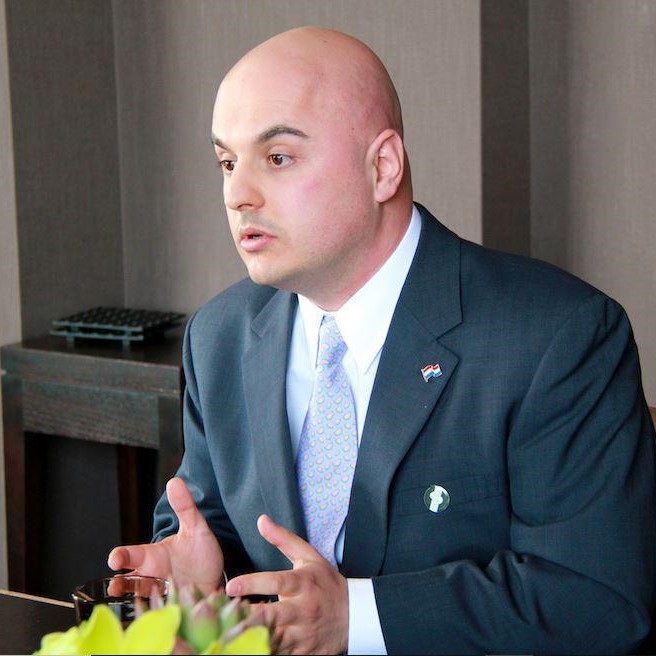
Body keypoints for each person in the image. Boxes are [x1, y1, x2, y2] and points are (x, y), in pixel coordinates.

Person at [108, 26, 656, 655]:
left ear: (383, 166)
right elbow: (207, 529)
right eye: (228, 163)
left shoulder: (557, 335)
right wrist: (196, 585)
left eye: (278, 158)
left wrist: (358, 617)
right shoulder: (220, 335)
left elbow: (595, 597)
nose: (238, 195)